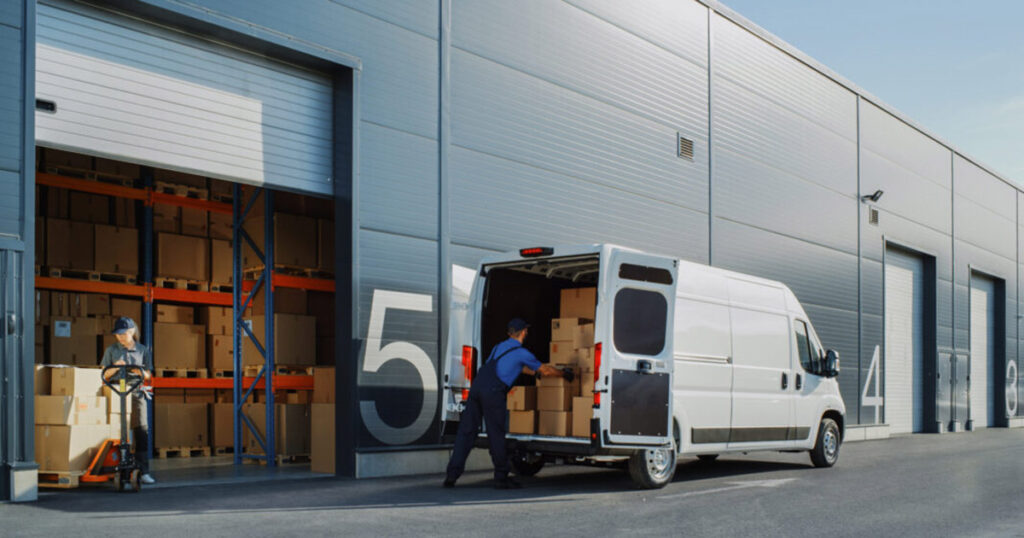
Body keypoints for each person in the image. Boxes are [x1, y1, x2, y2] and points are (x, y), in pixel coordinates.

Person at [444, 317, 574, 489]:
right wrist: (564, 374)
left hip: (476, 388)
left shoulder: (499, 347)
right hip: (493, 393)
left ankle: (451, 476)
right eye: (527, 330)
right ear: (524, 332)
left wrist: (533, 374)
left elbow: (512, 366)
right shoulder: (522, 352)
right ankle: (501, 477)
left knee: (466, 432)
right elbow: (546, 370)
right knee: (496, 435)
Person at [100, 317, 156, 485]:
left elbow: (148, 376)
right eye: (117, 335)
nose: (120, 338)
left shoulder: (142, 350)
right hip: (116, 389)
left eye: (123, 334)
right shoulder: (111, 350)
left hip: (136, 390)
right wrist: (115, 366)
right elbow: (103, 374)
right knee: (117, 429)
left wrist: (137, 370)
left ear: (132, 332)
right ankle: (112, 466)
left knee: (141, 429)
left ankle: (143, 471)